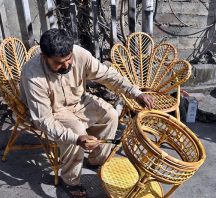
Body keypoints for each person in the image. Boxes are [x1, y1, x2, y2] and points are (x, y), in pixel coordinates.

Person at [20, 28, 154, 197]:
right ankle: (70, 180)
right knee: (76, 130)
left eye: (68, 59)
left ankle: (97, 160)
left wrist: (136, 93)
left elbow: (108, 76)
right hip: (54, 110)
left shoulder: (80, 54)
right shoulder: (33, 75)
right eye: (58, 63)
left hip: (78, 101)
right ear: (44, 57)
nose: (66, 65)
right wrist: (77, 139)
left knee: (110, 114)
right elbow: (43, 120)